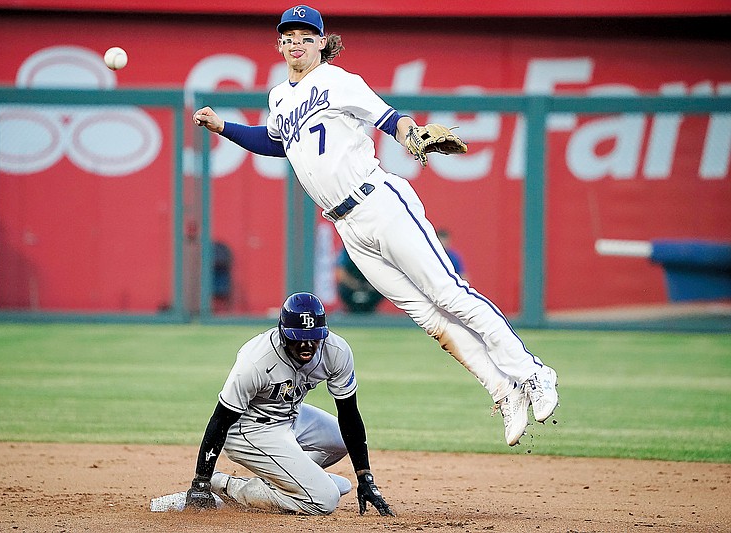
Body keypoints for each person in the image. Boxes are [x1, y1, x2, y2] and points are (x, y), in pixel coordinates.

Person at [192, 5, 558, 447]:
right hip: (347, 225)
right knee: (428, 317)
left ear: (323, 42)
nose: (296, 42)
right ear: (279, 43)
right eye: (288, 35)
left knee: (450, 295)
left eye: (306, 36)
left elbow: (389, 117)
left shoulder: (338, 81)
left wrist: (410, 133)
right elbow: (273, 142)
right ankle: (504, 392)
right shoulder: (279, 98)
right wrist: (223, 126)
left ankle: (533, 373)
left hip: (379, 201)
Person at [185, 292, 394, 516]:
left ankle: (287, 481)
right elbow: (221, 419)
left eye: (314, 337)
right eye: (298, 337)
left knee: (342, 439)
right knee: (325, 500)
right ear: (283, 333)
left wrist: (365, 478)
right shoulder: (256, 361)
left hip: (291, 416)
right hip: (250, 428)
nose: (306, 344)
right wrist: (201, 482)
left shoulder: (335, 351)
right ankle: (228, 485)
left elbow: (349, 415)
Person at [336, 247, 383, 313]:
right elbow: (341, 273)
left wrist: (371, 284)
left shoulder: (375, 251)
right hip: (351, 288)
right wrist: (355, 285)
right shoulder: (348, 249)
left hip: (371, 287)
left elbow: (383, 273)